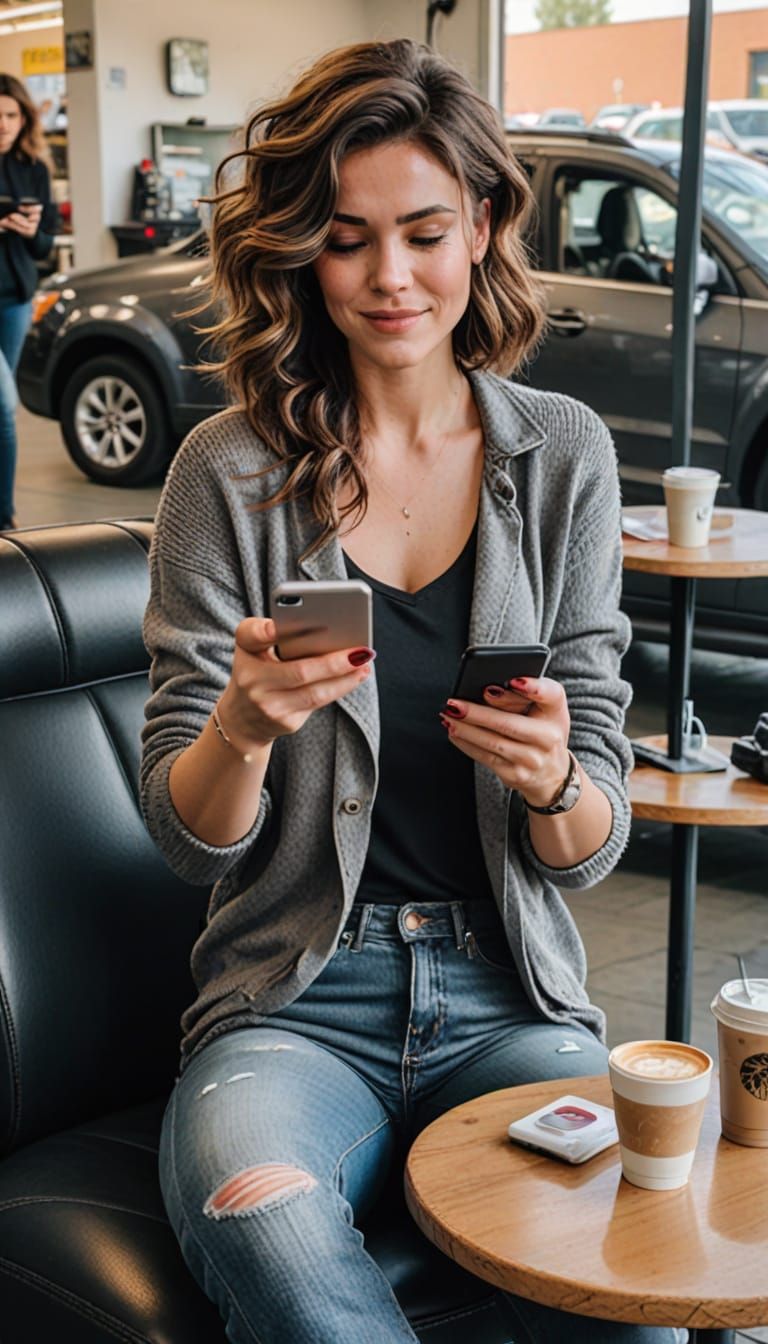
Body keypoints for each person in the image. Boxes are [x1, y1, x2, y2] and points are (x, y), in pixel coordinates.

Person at [141, 39, 682, 1344]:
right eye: (346, 237)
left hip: (513, 1009)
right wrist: (244, 727)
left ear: (485, 224)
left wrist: (556, 778)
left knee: (637, 1272)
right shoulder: (229, 470)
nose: (391, 278)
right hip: (293, 1010)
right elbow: (180, 829)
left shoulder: (562, 457)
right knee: (262, 1221)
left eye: (427, 231)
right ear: (299, 252)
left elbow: (591, 838)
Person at [0, 74, 57, 531]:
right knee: (4, 403)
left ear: (24, 119)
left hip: (15, 299)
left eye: (11, 115)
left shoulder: (34, 169)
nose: (2, 124)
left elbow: (44, 247)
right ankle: (5, 517)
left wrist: (29, 230)